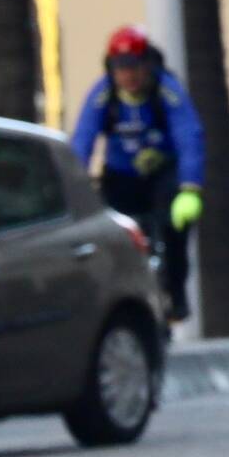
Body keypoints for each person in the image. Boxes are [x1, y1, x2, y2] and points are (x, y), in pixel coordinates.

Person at [72, 27, 209, 320]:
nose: (129, 75)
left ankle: (176, 292)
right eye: (121, 68)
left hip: (163, 176)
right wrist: (74, 182)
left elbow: (189, 135)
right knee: (110, 233)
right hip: (121, 177)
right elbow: (83, 138)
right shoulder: (102, 96)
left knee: (174, 227)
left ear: (147, 64)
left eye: (134, 66)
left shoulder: (167, 91)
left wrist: (190, 188)